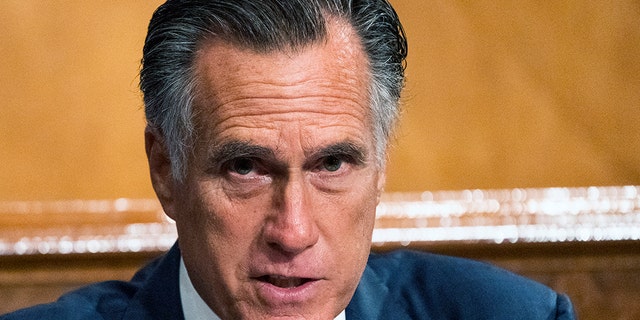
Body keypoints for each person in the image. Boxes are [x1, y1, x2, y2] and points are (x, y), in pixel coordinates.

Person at [2, 0, 575, 319]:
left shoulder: (511, 316)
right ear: (165, 170)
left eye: (332, 165)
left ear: (379, 170)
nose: (293, 231)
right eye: (245, 168)